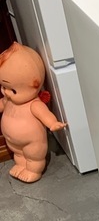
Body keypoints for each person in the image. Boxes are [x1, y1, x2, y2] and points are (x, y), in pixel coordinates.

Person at [0, 42, 66, 183]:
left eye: (13, 90)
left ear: (34, 85)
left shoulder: (34, 104)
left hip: (32, 142)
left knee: (34, 157)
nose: (6, 93)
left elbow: (45, 115)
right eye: (3, 87)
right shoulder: (8, 100)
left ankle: (33, 170)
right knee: (19, 155)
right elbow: (1, 104)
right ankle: (20, 165)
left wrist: (53, 123)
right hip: (13, 143)